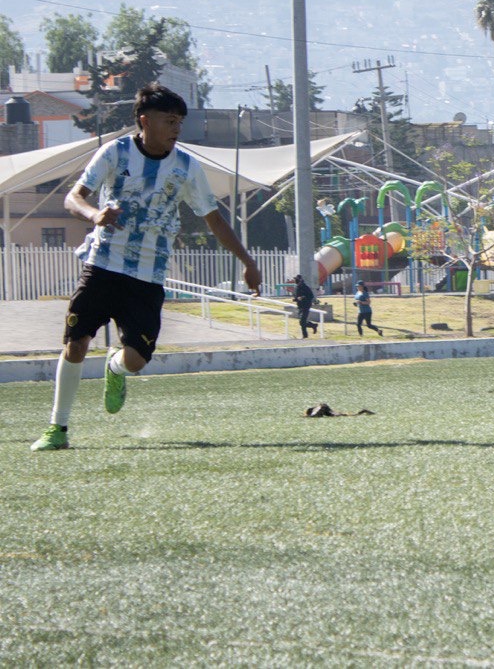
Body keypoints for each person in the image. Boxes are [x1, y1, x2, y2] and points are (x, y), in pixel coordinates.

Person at [31, 83, 262, 452]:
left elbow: (215, 220)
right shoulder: (116, 152)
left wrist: (247, 261)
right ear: (145, 120)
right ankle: (57, 428)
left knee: (136, 360)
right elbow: (74, 197)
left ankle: (115, 368)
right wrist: (94, 214)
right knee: (76, 343)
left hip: (147, 277)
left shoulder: (186, 167)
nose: (176, 129)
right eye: (169, 121)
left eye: (180, 122)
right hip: (102, 266)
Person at [292, 273, 316, 338]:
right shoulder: (296, 287)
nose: (295, 281)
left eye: (296, 279)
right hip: (300, 306)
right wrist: (296, 299)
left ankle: (305, 336)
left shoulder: (305, 287)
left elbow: (311, 296)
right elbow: (296, 296)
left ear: (300, 280)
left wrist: (303, 297)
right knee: (302, 322)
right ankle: (313, 325)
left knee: (302, 321)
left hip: (306, 306)